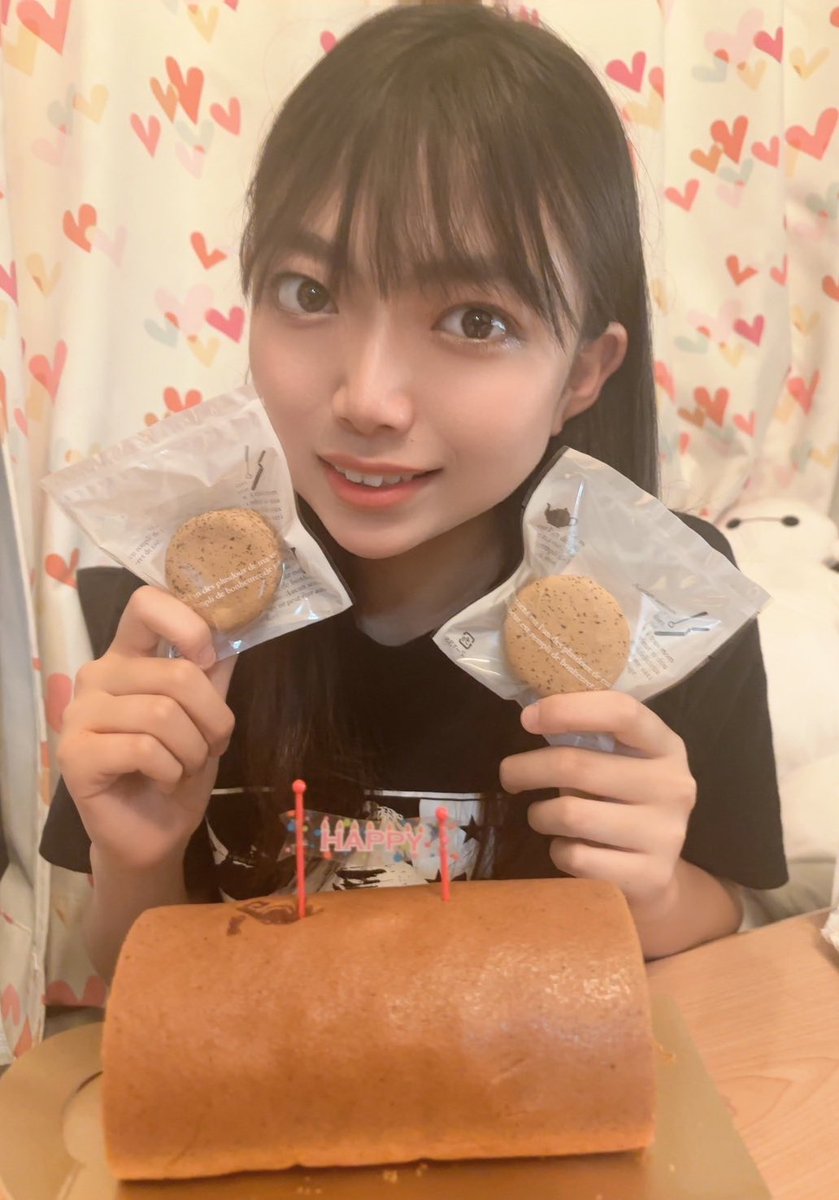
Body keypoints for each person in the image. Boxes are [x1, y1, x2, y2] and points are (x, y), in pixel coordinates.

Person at [40, 2, 787, 981]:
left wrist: (649, 894)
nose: (367, 399)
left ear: (581, 374)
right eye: (310, 292)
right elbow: (127, 976)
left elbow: (728, 913)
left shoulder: (668, 602)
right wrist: (135, 856)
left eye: (474, 319)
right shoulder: (174, 611)